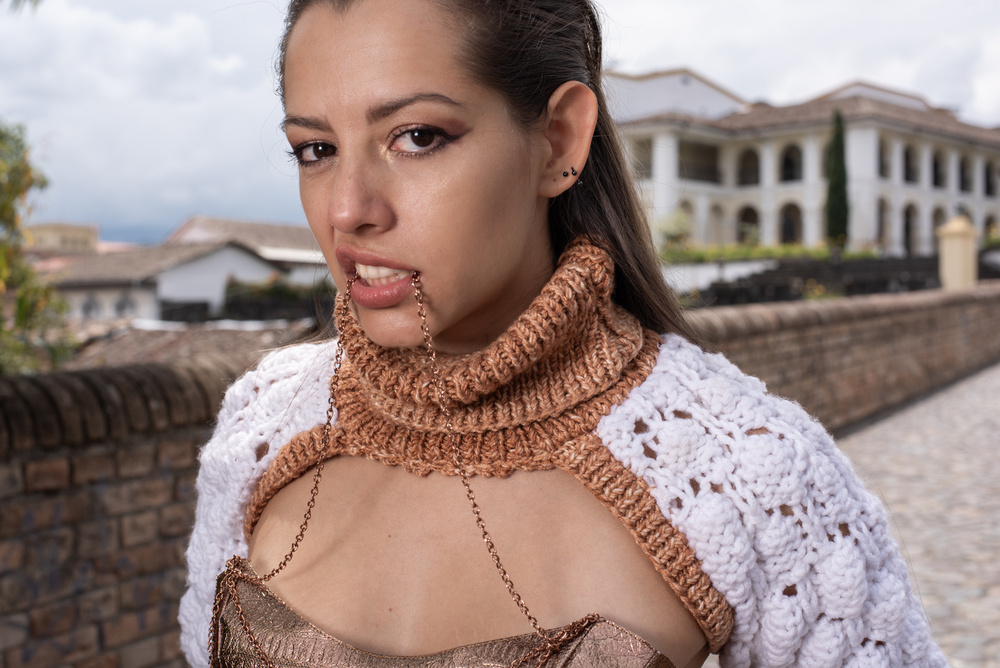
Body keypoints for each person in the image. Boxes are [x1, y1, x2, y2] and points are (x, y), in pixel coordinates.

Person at [178, 0, 949, 666]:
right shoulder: (262, 424)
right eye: (316, 149)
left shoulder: (751, 470)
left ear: (558, 140)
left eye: (417, 137)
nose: (348, 209)